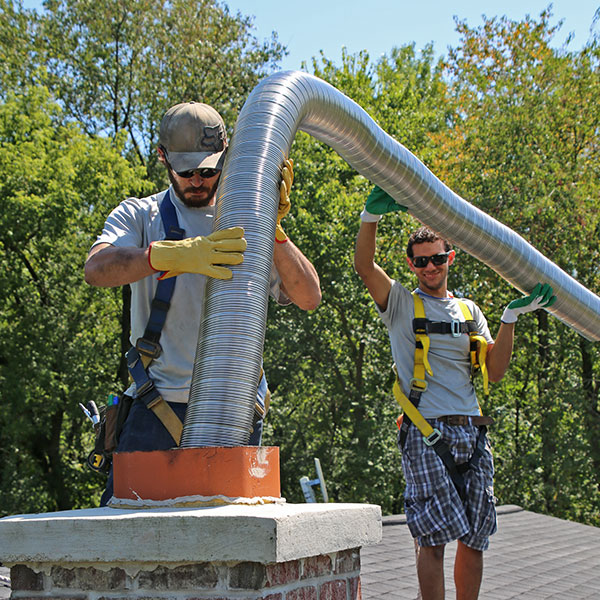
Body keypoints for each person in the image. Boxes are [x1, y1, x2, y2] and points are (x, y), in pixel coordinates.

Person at [85, 101, 321, 505]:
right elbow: (97, 269)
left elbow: (309, 296)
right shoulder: (142, 215)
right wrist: (164, 256)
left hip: (237, 414)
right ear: (163, 158)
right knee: (129, 544)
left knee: (231, 549)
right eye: (187, 171)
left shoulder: (247, 219)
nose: (198, 180)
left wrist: (274, 229)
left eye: (209, 170)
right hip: (156, 409)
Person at [353, 185, 555, 600]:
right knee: (432, 536)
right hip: (428, 432)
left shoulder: (469, 311)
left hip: (474, 433)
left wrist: (510, 318)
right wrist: (369, 218)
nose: (430, 267)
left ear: (451, 257)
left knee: (476, 535)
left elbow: (495, 371)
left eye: (438, 258)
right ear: (411, 264)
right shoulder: (401, 305)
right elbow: (364, 266)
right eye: (422, 261)